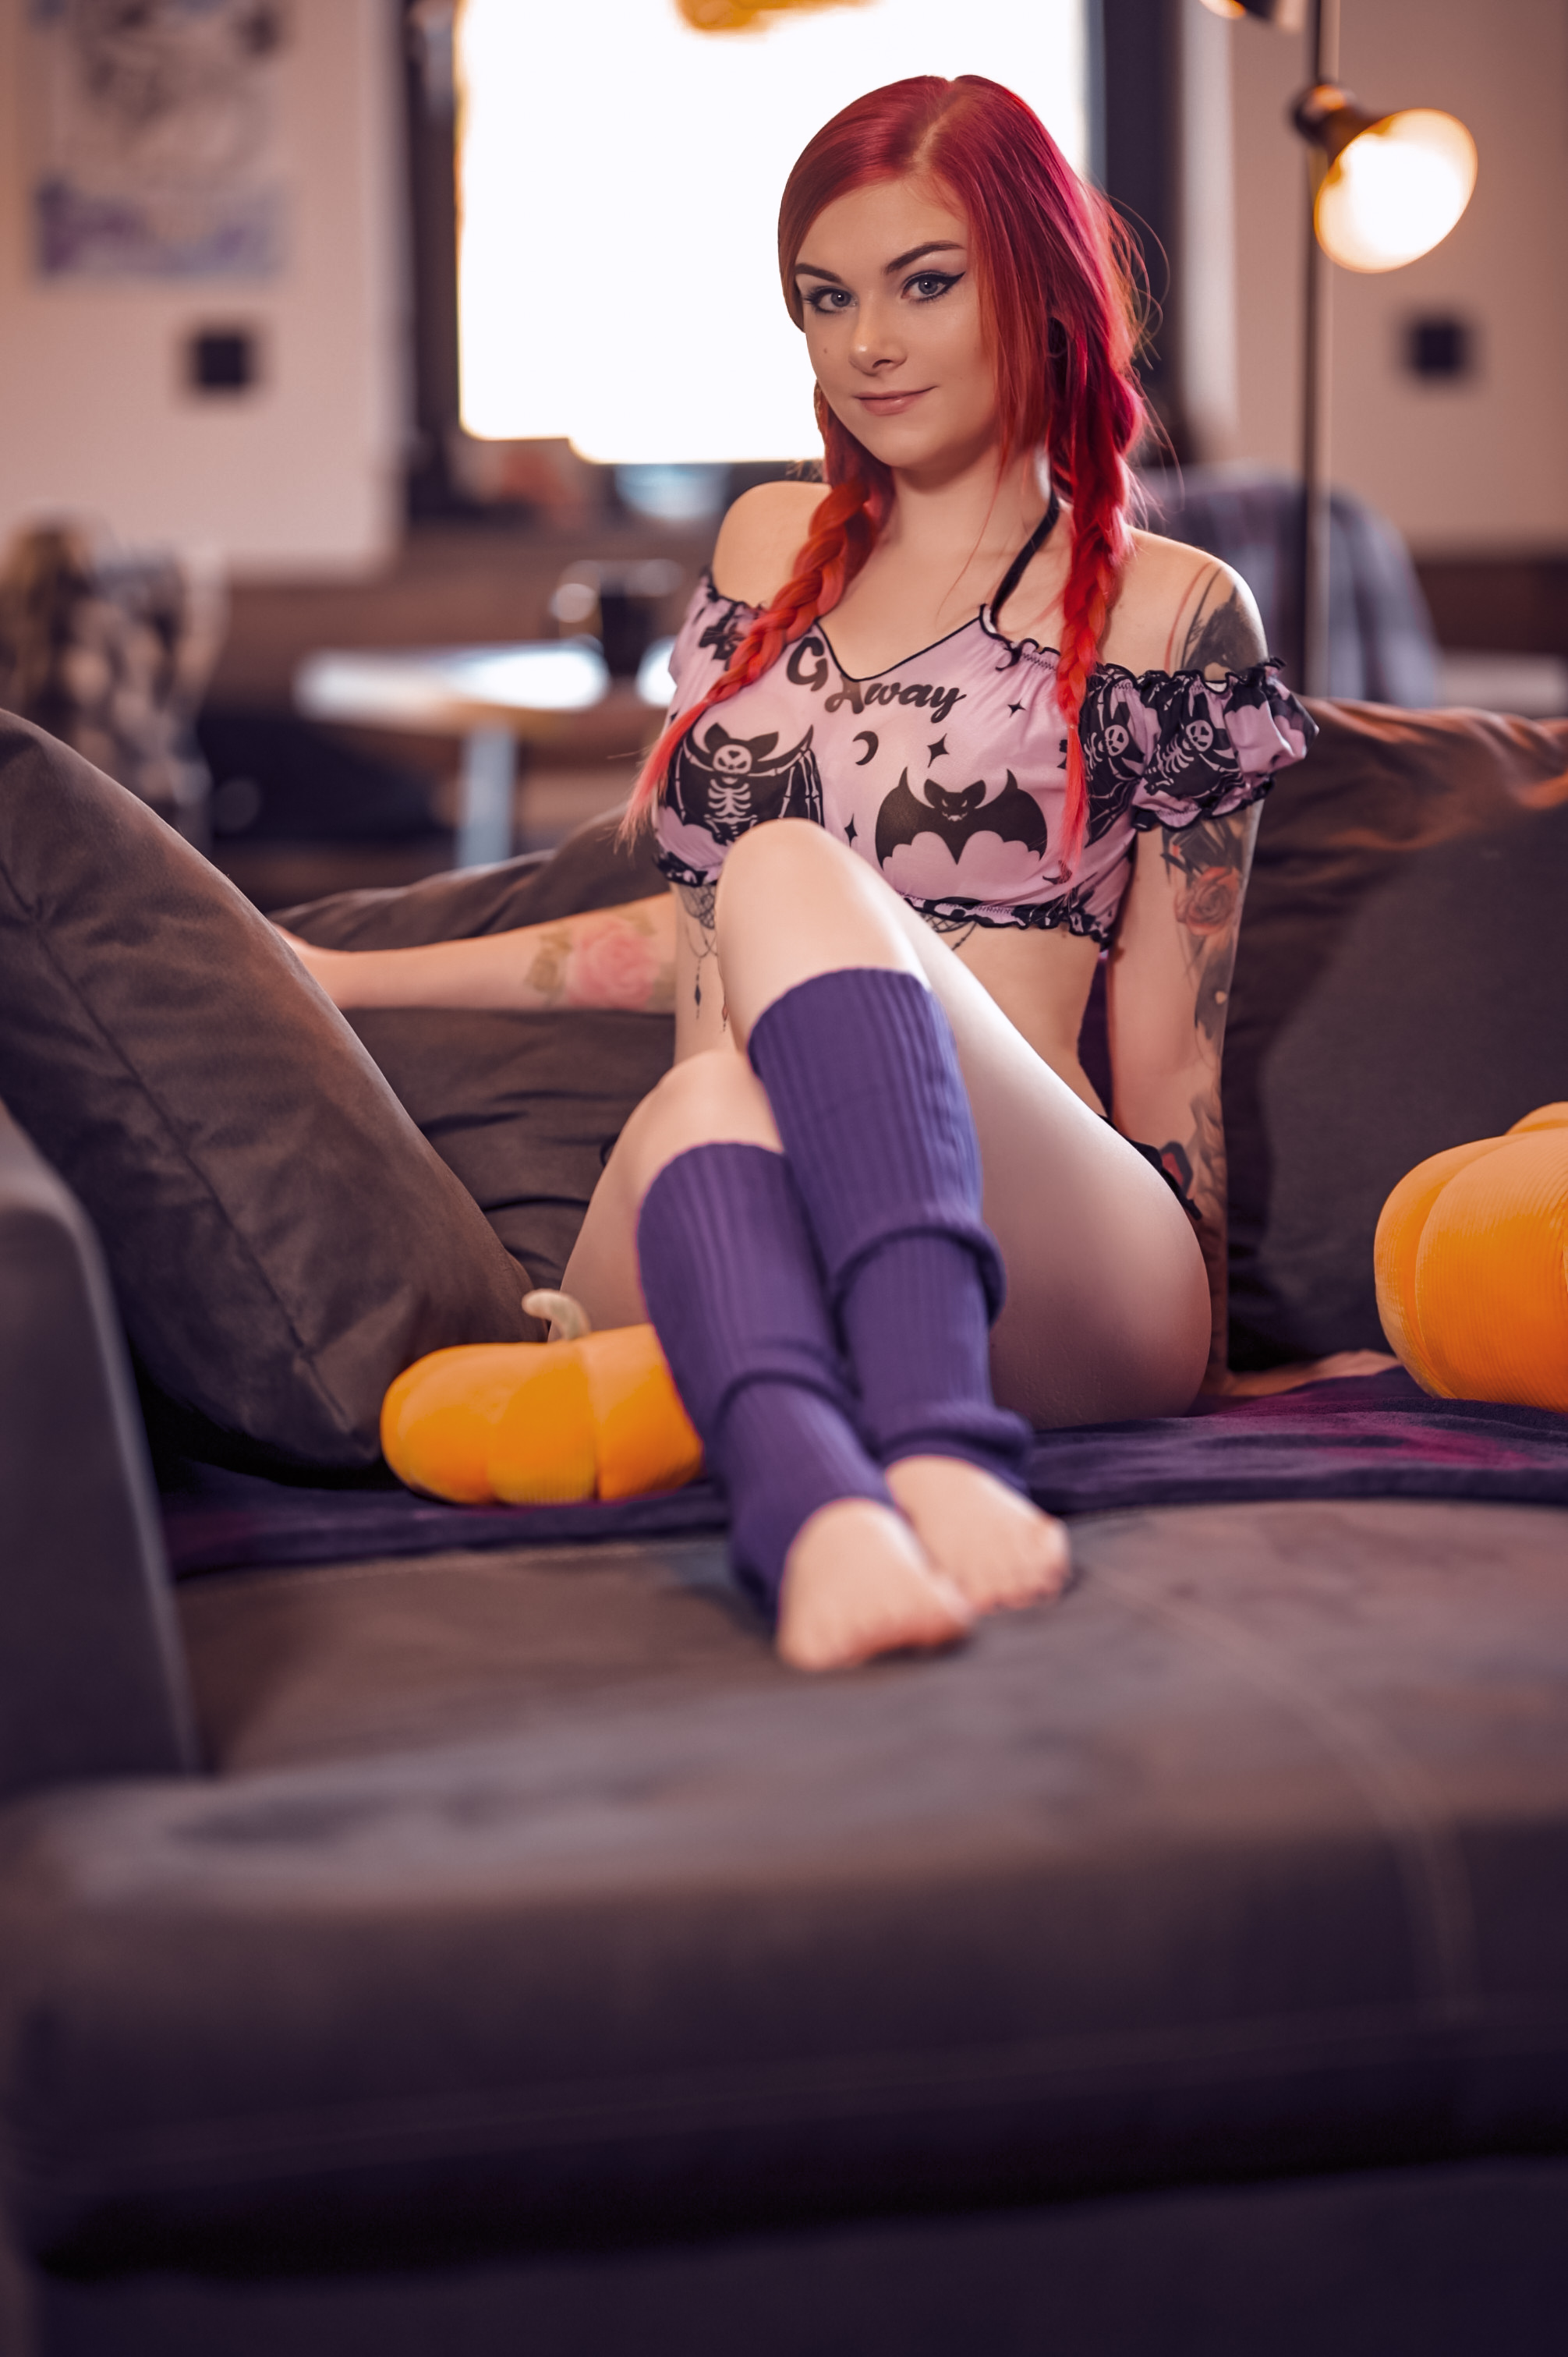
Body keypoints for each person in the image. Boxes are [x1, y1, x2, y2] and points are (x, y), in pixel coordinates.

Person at [284, 76, 1341, 1675]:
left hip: (1041, 1250)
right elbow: (708, 936)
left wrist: (1211, 1346)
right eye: (826, 299)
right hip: (746, 1203)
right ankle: (828, 1520)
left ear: (1041, 286)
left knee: (782, 869)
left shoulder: (1170, 610)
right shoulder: (764, 551)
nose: (868, 346)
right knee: (707, 1091)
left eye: (926, 283)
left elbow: (1171, 1042)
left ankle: (933, 1441)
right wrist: (347, 976)